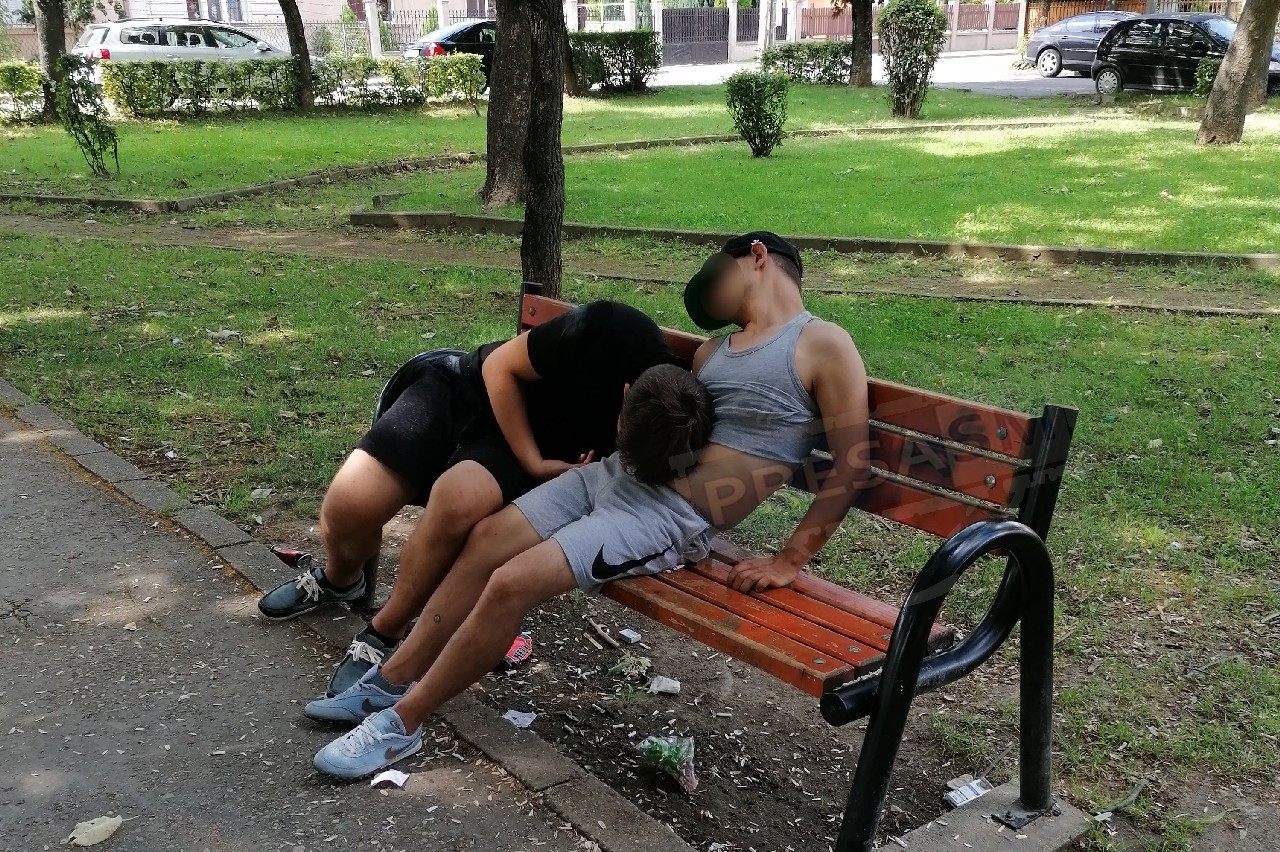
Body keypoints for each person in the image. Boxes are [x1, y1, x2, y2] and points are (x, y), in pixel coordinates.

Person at [305, 232, 872, 780]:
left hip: (668, 518)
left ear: (757, 256)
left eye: (715, 273)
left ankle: (402, 723)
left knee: (511, 582)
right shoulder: (711, 351)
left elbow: (851, 464)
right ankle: (391, 679)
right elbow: (675, 434)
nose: (708, 290)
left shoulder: (822, 343)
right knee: (485, 541)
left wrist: (789, 560)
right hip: (613, 476)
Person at [257, 300, 679, 696]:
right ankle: (341, 581)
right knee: (349, 506)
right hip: (472, 390)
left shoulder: (677, 418)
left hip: (529, 444)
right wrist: (532, 463)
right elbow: (499, 366)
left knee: (457, 502)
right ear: (626, 393)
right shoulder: (610, 328)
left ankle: (384, 631)